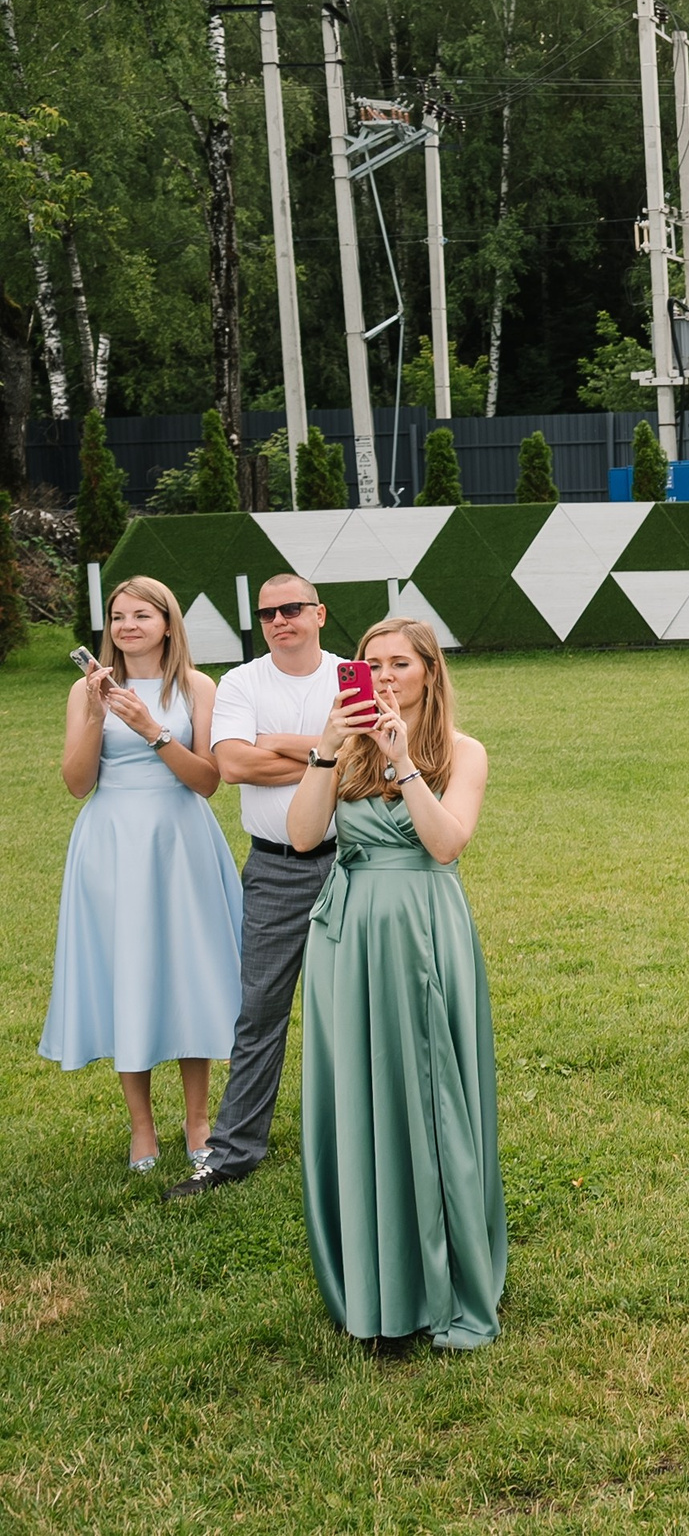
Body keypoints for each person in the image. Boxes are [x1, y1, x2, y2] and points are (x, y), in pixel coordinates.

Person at [287, 617, 503, 1349]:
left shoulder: (461, 753)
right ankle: (376, 1280)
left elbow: (446, 846)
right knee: (361, 1094)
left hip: (421, 931)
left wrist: (405, 762)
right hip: (347, 941)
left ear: (429, 673)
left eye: (398, 664)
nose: (382, 676)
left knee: (428, 1095)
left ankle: (442, 1278)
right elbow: (302, 836)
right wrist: (324, 751)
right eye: (370, 663)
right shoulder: (342, 753)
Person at [44, 576, 241, 1175]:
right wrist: (98, 711)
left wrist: (150, 730)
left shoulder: (197, 686)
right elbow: (78, 784)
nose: (127, 625)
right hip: (113, 841)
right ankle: (141, 1127)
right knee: (127, 969)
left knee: (189, 969)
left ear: (167, 623)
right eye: (117, 616)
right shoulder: (88, 692)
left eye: (140, 615)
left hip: (181, 838)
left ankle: (199, 1119)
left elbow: (207, 780)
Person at [168, 573, 344, 1200]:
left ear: (319, 613)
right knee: (260, 1011)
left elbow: (372, 762)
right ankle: (234, 1152)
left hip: (354, 862)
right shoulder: (243, 682)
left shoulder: (352, 676)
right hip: (274, 869)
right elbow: (233, 764)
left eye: (292, 608)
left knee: (358, 1009)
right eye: (268, 613)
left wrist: (286, 746)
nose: (279, 621)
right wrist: (326, 752)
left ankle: (363, 1139)